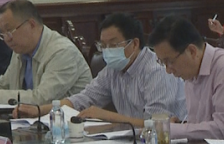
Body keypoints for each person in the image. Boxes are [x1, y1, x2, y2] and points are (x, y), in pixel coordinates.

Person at [16, 13, 186, 126]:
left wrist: (106, 116)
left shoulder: (157, 70)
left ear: (134, 43)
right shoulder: (112, 69)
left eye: (113, 45)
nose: (107, 51)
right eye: (103, 45)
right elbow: (83, 99)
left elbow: (157, 124)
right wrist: (39, 110)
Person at [149, 15, 224, 140]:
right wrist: (181, 125)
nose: (168, 70)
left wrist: (171, 129)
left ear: (192, 51)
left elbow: (222, 130)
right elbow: (200, 124)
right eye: (162, 63)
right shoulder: (190, 73)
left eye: (169, 61)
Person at [0, 0, 91, 104]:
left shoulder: (62, 52)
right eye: (3, 33)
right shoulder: (20, 50)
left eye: (9, 31)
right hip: (31, 118)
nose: (7, 39)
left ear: (31, 24)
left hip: (71, 119)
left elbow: (42, 99)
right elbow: (4, 85)